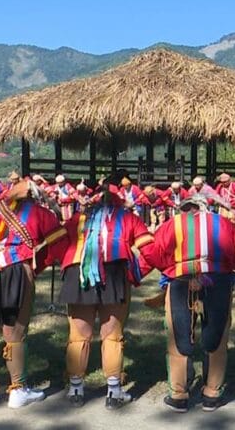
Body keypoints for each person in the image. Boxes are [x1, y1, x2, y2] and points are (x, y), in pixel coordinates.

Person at [145, 196, 235, 413]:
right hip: (218, 281)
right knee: (217, 337)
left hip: (181, 281)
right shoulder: (223, 223)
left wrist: (165, 269)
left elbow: (153, 254)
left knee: (178, 336)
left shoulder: (172, 224)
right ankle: (212, 394)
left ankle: (178, 395)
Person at [54, 175, 155, 409]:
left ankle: (76, 389)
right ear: (118, 200)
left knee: (79, 335)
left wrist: (66, 265)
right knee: (112, 334)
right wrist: (135, 274)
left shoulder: (76, 220)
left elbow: (57, 245)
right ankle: (114, 392)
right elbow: (150, 250)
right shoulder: (128, 218)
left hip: (79, 274)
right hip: (114, 273)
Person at [0, 179, 66, 408]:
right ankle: (18, 390)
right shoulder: (40, 213)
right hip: (18, 269)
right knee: (14, 332)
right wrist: (37, 266)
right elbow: (59, 242)